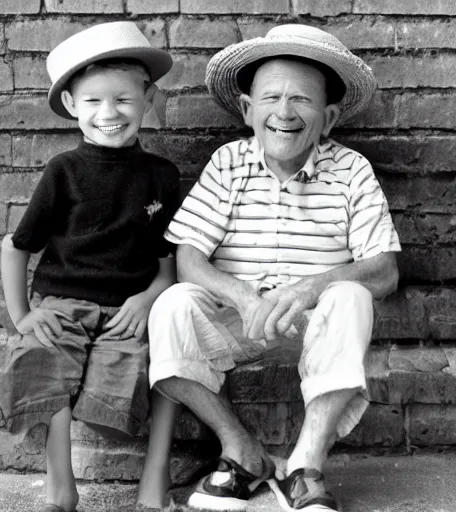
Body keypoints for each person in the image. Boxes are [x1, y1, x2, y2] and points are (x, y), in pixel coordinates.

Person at [137, 24, 400, 511]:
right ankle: (242, 452)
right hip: (241, 317)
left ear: (329, 117)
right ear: (246, 109)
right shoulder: (227, 163)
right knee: (171, 306)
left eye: (301, 99)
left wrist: (308, 288)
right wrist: (242, 295)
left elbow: (384, 269)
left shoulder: (352, 170)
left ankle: (305, 467)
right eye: (271, 97)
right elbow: (189, 258)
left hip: (319, 325)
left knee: (353, 294)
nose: (283, 112)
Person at [0, 22, 180, 512]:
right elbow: (16, 247)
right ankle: (61, 484)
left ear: (148, 99)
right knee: (41, 358)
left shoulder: (163, 176)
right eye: (93, 102)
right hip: (62, 302)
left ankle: (149, 472)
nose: (109, 113)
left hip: (127, 310)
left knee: (119, 395)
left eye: (122, 99)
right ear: (73, 106)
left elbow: (168, 261)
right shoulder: (64, 170)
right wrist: (22, 316)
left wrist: (148, 298)